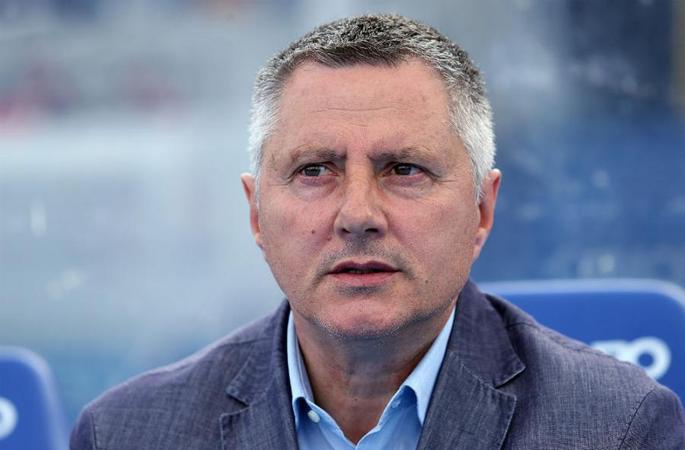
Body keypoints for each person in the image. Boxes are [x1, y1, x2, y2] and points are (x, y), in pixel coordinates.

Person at [70, 14, 685, 450]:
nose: (357, 213)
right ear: (256, 213)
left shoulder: (617, 428)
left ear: (481, 210)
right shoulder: (126, 434)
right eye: (315, 170)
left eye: (404, 169)